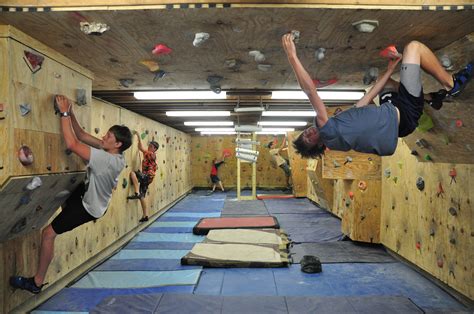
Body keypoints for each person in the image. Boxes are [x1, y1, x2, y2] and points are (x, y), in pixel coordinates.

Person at [10, 95, 132, 294]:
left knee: (48, 234)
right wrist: (71, 114)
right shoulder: (116, 153)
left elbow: (72, 145)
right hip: (91, 197)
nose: (104, 137)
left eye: (108, 136)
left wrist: (65, 113)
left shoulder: (104, 159)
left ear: (117, 144)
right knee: (69, 190)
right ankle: (67, 212)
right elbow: (82, 135)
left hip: (88, 208)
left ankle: (36, 283)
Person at [282, 33, 473, 158]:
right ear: (318, 145)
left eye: (303, 133)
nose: (307, 133)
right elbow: (310, 91)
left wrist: (390, 70)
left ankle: (431, 99)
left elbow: (363, 103)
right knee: (413, 48)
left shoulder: (338, 130)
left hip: (395, 120)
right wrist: (292, 57)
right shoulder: (327, 131)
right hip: (405, 112)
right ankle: (452, 84)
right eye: (307, 139)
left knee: (386, 85)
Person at [127, 131, 159, 223]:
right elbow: (140, 148)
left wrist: (137, 135)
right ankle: (145, 215)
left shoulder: (151, 154)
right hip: (148, 178)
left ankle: (136, 192)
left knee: (133, 173)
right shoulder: (149, 153)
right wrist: (138, 136)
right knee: (142, 196)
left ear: (155, 149)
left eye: (151, 146)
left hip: (147, 175)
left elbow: (142, 148)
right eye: (149, 145)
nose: (149, 147)